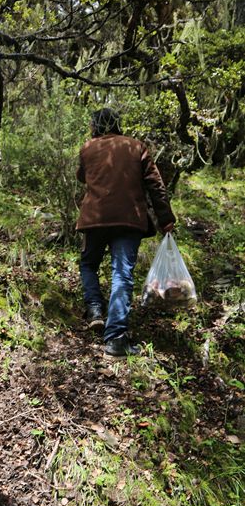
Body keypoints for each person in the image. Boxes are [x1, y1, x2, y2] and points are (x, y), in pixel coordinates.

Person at [76, 108, 176, 357]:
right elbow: (156, 185)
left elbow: (82, 176)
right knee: (121, 273)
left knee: (88, 264)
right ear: (117, 124)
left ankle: (95, 308)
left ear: (95, 125)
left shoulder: (87, 148)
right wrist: (166, 219)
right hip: (129, 219)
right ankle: (116, 339)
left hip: (95, 218)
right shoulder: (136, 146)